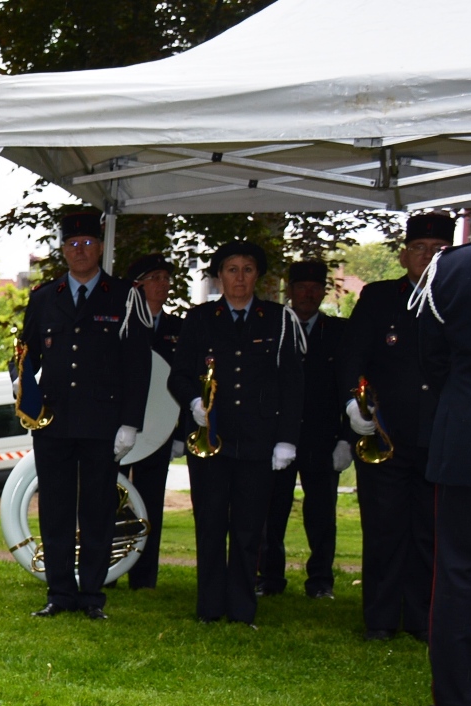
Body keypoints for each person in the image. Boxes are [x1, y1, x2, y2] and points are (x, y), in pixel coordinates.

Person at [19, 211, 151, 620]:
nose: (80, 250)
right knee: (55, 508)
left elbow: (138, 365)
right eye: (72, 244)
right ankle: (59, 592)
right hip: (54, 422)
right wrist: (21, 384)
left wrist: (130, 423)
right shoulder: (44, 297)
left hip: (102, 423)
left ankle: (92, 595)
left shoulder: (125, 296)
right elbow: (25, 353)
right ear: (62, 250)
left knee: (97, 509)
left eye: (88, 243)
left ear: (100, 247)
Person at [169, 240, 304, 626]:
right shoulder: (199, 319)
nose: (239, 277)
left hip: (258, 440)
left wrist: (286, 438)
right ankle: (210, 607)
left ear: (257, 275)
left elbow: (293, 383)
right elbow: (178, 375)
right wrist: (194, 402)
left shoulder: (278, 319)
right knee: (210, 525)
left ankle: (244, 608)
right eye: (231, 269)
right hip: (210, 437)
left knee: (249, 529)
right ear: (219, 276)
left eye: (247, 269)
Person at [343, 212, 454, 642]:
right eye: (420, 249)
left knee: (431, 533)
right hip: (385, 436)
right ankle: (382, 620)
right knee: (385, 530)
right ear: (405, 254)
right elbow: (354, 357)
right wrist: (353, 404)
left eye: (437, 250)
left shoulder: (458, 296)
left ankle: (425, 620)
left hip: (439, 438)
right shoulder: (379, 297)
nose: (427, 257)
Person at [258, 261, 349, 599]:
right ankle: (269, 578)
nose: (308, 293)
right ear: (290, 291)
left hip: (321, 436)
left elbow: (348, 386)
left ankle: (321, 580)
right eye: (301, 287)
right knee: (271, 511)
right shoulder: (272, 325)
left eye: (315, 287)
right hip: (279, 434)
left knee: (322, 514)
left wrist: (347, 439)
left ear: (324, 291)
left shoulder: (340, 332)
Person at [419, 239, 471, 706]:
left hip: (466, 433)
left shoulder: (454, 267)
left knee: (458, 571)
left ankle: (459, 698)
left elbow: (432, 357)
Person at [120, 253, 185, 591]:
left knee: (150, 503)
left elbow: (189, 380)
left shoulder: (179, 329)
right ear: (138, 284)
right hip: (119, 428)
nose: (163, 284)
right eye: (155, 277)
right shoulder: (122, 322)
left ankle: (144, 576)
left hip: (161, 428)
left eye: (165, 277)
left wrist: (182, 432)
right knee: (111, 500)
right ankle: (110, 565)